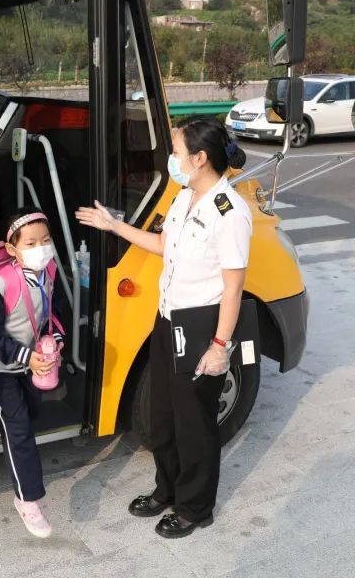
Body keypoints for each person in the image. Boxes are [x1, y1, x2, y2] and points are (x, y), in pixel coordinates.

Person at [75, 117, 252, 539]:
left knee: (195, 422)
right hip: (168, 316)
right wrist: (114, 226)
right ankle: (166, 489)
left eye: (175, 152)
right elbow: (164, 245)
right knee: (163, 415)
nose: (171, 159)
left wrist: (219, 346)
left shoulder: (229, 212)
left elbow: (233, 288)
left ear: (200, 157)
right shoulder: (183, 197)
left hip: (200, 322)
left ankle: (195, 507)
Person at [0, 209, 68, 538]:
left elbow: (53, 312)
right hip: (0, 362)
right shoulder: (3, 284)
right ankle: (27, 500)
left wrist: (55, 338)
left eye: (46, 240)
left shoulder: (49, 270)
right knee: (19, 426)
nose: (41, 247)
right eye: (31, 243)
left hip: (32, 358)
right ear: (12, 249)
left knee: (30, 411)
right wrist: (27, 358)